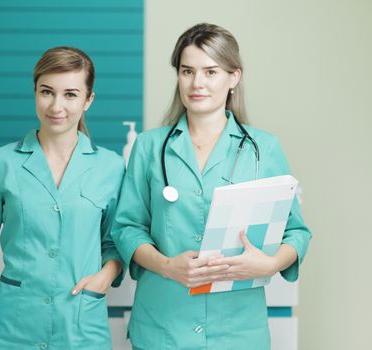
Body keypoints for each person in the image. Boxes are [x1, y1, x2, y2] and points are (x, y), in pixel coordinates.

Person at [112, 23, 312, 350]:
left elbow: (297, 232)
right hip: (163, 327)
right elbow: (127, 227)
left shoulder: (264, 148)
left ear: (234, 77)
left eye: (210, 71)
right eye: (187, 71)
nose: (197, 83)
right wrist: (166, 266)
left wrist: (272, 263)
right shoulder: (150, 147)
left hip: (237, 331)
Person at [0, 47, 125, 350]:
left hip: (81, 326)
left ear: (89, 100)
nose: (56, 106)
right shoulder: (0, 163)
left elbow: (117, 242)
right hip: (13, 327)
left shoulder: (111, 167)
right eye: (47, 92)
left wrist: (105, 276)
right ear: (35, 93)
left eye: (71, 94)